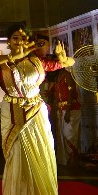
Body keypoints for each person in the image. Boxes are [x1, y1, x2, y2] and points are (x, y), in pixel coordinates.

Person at [0, 25, 74, 195]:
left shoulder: (38, 61)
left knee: (41, 156)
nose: (19, 41)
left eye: (23, 38)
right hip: (14, 113)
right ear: (8, 42)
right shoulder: (1, 61)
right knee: (18, 158)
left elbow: (69, 63)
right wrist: (17, 55)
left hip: (36, 112)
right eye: (15, 38)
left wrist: (63, 58)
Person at [35, 33, 81, 166]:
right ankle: (65, 161)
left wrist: (67, 112)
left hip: (70, 109)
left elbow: (72, 92)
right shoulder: (55, 77)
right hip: (61, 109)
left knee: (70, 135)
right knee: (62, 135)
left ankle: (73, 160)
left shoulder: (67, 75)